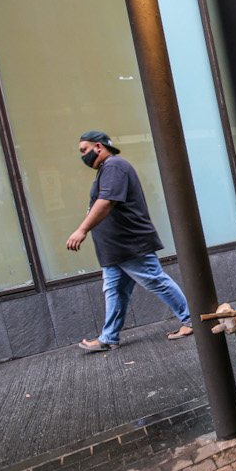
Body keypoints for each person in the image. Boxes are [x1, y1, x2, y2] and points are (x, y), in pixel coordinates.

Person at [66, 130, 193, 352]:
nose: (83, 156)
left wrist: (82, 230)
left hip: (130, 244)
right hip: (115, 248)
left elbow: (106, 201)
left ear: (98, 147)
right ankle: (108, 337)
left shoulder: (115, 166)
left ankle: (192, 320)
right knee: (114, 290)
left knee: (155, 280)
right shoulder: (107, 169)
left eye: (84, 150)